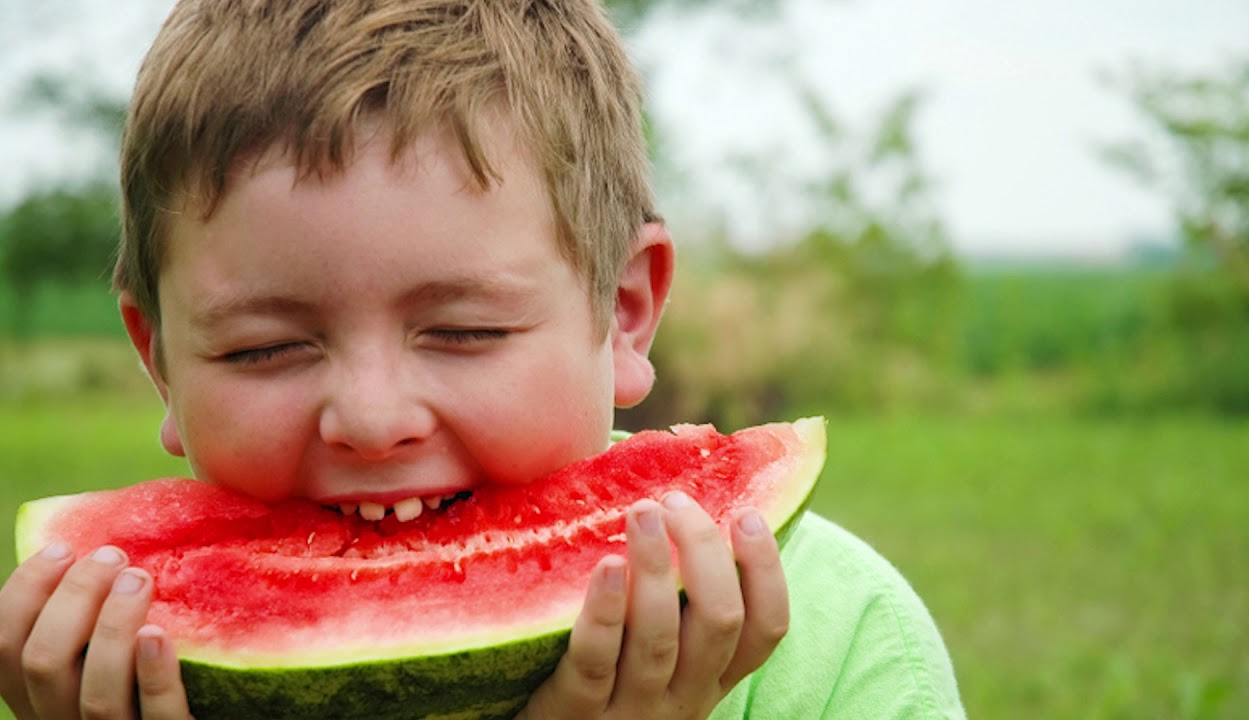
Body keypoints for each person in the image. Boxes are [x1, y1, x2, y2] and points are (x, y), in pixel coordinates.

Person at [0, 1, 966, 718]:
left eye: (465, 332)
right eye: (266, 348)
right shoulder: (95, 666)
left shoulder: (847, 648)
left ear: (624, 312)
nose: (373, 421)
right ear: (160, 361)